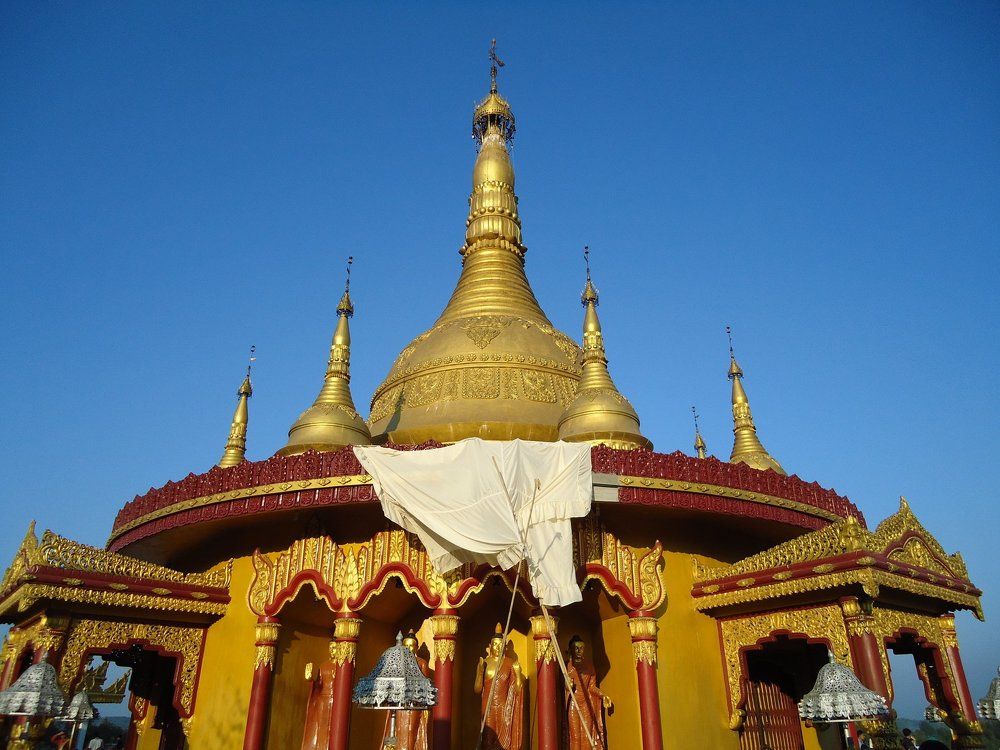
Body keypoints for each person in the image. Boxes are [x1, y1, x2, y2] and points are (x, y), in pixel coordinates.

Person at [473, 624, 524, 750]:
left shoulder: (510, 663)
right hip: (488, 707)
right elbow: (477, 689)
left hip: (504, 707)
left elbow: (517, 691)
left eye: (500, 644)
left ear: (505, 647)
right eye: (495, 644)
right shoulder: (485, 663)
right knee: (488, 738)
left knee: (504, 741)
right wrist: (480, 672)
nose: (498, 647)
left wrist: (517, 675)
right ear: (490, 646)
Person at [380, 631, 430, 750]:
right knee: (397, 729)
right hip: (398, 701)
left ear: (416, 647)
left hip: (414, 703)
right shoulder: (397, 662)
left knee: (410, 730)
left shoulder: (421, 663)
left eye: (412, 645)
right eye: (406, 645)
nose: (409, 648)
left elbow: (425, 686)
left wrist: (425, 705)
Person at [563, 635, 612, 750]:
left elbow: (592, 687)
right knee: (575, 736)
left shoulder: (589, 666)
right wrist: (567, 684)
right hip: (573, 702)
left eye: (581, 648)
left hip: (586, 702)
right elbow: (565, 686)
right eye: (576, 648)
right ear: (571, 650)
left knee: (587, 734)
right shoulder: (568, 666)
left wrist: (603, 695)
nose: (579, 651)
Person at [299, 645, 338, 750]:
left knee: (333, 727)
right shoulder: (324, 666)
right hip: (323, 700)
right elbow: (318, 684)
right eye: (330, 648)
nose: (331, 650)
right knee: (321, 726)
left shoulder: (342, 666)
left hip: (336, 700)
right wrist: (310, 678)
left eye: (334, 648)